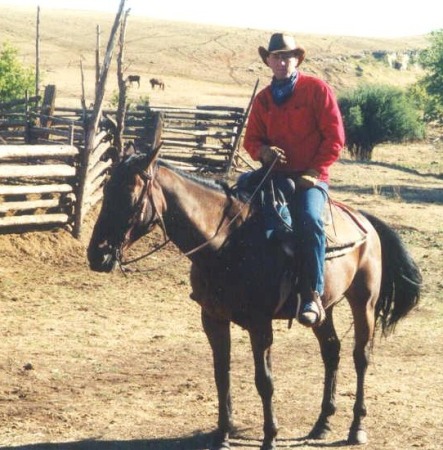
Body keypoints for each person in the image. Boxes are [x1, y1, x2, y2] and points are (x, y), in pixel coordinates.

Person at [243, 32, 345, 327]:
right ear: (269, 61)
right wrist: (264, 151)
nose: (282, 61)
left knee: (310, 220)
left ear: (296, 59)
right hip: (274, 175)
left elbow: (334, 137)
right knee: (238, 207)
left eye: (287, 56)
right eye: (276, 56)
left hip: (311, 177)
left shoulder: (316, 90)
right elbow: (251, 140)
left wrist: (314, 172)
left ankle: (312, 293)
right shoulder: (263, 100)